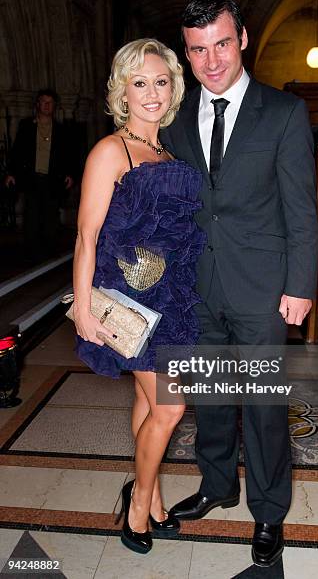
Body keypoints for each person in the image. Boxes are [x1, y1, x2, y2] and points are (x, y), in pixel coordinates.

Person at [161, 0, 318, 568]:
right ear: (187, 52)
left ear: (243, 39)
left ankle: (269, 510)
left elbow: (302, 210)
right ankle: (217, 484)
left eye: (221, 44)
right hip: (199, 287)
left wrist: (300, 285)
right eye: (198, 49)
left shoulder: (283, 112)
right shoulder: (176, 119)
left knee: (264, 407)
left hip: (262, 287)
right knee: (212, 398)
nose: (211, 60)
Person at [73, 39, 205, 554]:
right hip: (128, 304)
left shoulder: (167, 153)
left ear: (173, 88)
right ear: (122, 91)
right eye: (140, 82)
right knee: (171, 409)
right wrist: (83, 308)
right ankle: (138, 502)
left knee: (149, 401)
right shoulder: (111, 151)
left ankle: (147, 497)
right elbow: (87, 236)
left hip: (170, 300)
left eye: (161, 81)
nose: (152, 92)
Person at [5, 89, 74, 262]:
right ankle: (31, 254)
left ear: (54, 106)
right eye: (43, 102)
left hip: (52, 179)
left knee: (51, 216)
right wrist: (11, 173)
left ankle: (50, 254)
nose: (47, 105)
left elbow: (68, 154)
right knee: (32, 216)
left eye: (50, 102)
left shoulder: (61, 129)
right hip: (32, 177)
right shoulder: (27, 126)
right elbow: (17, 151)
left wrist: (70, 174)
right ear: (38, 104)